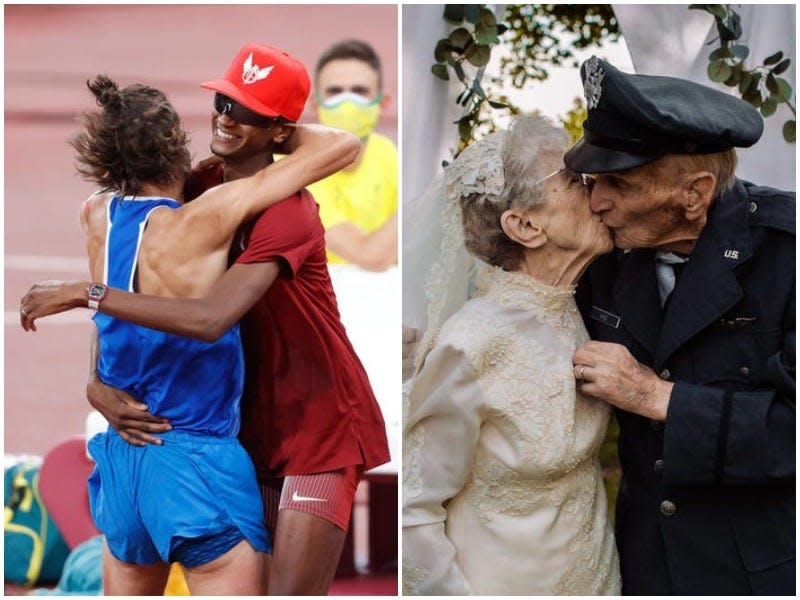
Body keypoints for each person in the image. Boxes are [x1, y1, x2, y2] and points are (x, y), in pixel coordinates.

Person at [20, 43, 391, 596]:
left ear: (281, 130)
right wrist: (98, 381)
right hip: (251, 423)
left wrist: (87, 294)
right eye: (223, 101)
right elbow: (129, 279)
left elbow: (211, 317)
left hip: (320, 424)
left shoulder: (289, 210)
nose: (225, 116)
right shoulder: (200, 189)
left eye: (246, 111)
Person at [567, 57, 795, 595]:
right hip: (643, 567)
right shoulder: (606, 259)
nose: (596, 202)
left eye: (618, 183)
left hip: (759, 572)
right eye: (591, 179)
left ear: (693, 193)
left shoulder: (790, 253)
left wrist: (659, 397)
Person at [401, 115, 620, 595]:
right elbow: (411, 511)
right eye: (572, 179)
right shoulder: (472, 341)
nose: (596, 188)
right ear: (524, 225)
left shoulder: (575, 306)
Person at [309, 39, 397, 271]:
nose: (347, 103)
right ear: (315, 105)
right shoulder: (294, 168)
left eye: (359, 91)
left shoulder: (386, 152)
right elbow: (370, 256)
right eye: (335, 92)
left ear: (382, 103)